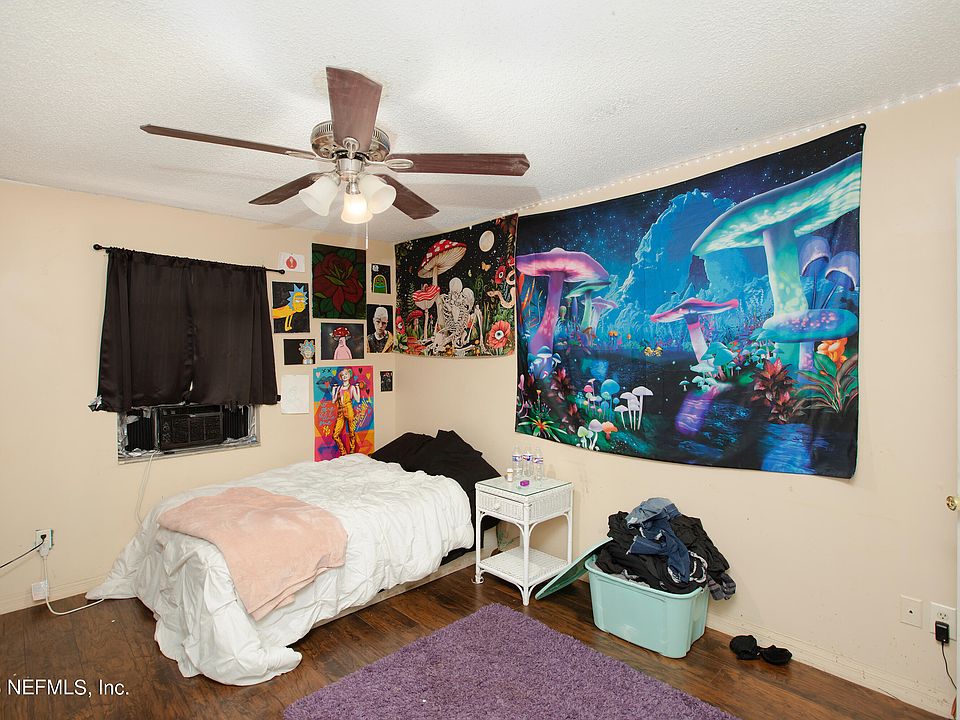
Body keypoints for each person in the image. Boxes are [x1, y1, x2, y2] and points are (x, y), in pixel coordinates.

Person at [331, 368, 361, 455]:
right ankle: (343, 452)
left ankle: (352, 451)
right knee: (335, 435)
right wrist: (334, 390)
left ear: (349, 376)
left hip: (349, 409)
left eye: (346, 374)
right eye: (342, 375)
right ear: (341, 377)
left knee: (352, 431)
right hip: (340, 410)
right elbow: (333, 401)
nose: (344, 376)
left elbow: (358, 400)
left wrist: (358, 389)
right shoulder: (339, 388)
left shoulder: (352, 387)